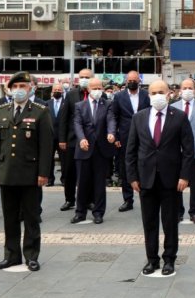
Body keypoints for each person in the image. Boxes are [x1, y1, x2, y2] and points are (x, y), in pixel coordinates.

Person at [126, 80, 194, 276]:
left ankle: (169, 259)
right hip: (145, 179)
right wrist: (132, 177)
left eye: (161, 92)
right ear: (148, 95)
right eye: (153, 92)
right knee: (149, 222)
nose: (157, 95)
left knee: (170, 222)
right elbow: (131, 150)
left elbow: (188, 150)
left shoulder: (179, 117)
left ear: (169, 94)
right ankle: (152, 260)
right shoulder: (139, 117)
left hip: (171, 179)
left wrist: (184, 176)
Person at [0, 71, 53, 272]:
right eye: (15, 87)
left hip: (30, 174)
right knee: (10, 218)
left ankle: (31, 255)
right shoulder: (2, 111)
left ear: (30, 88)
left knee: (31, 217)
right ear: (9, 90)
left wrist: (44, 173)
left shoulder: (40, 111)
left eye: (22, 86)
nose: (18, 90)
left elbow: (46, 146)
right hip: (7, 172)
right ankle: (11, 255)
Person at [70, 78, 116, 224]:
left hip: (101, 149)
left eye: (99, 88)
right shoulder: (80, 105)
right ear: (88, 89)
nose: (97, 90)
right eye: (94, 88)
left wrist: (111, 133)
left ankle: (98, 212)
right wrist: (81, 139)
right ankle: (80, 212)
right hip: (84, 148)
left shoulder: (107, 104)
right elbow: (77, 124)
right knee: (82, 183)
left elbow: (111, 120)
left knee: (99, 183)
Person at [171, 78, 195, 224]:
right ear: (180, 90)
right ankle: (178, 211)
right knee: (177, 183)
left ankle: (194, 212)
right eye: (185, 88)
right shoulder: (173, 107)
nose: (187, 91)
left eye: (190, 88)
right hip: (177, 151)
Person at [111, 70, 151, 212]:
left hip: (145, 136)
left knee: (145, 165)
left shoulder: (146, 95)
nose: (132, 82)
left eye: (135, 80)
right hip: (125, 136)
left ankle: (146, 198)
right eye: (130, 80)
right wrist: (115, 136)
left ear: (139, 81)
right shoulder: (119, 96)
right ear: (126, 81)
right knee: (125, 167)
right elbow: (114, 117)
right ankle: (128, 200)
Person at [58, 68, 93, 212]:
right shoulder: (71, 94)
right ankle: (69, 199)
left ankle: (89, 200)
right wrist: (62, 139)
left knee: (88, 172)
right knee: (69, 171)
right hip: (72, 140)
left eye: (87, 77)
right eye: (82, 77)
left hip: (91, 140)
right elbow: (64, 118)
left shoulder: (96, 94)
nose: (84, 79)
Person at [48, 83, 66, 187]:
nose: (57, 91)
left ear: (62, 91)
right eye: (55, 90)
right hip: (50, 137)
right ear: (52, 91)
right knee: (49, 160)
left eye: (59, 90)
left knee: (64, 160)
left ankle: (64, 179)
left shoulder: (66, 103)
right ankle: (50, 180)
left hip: (62, 137)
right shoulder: (47, 103)